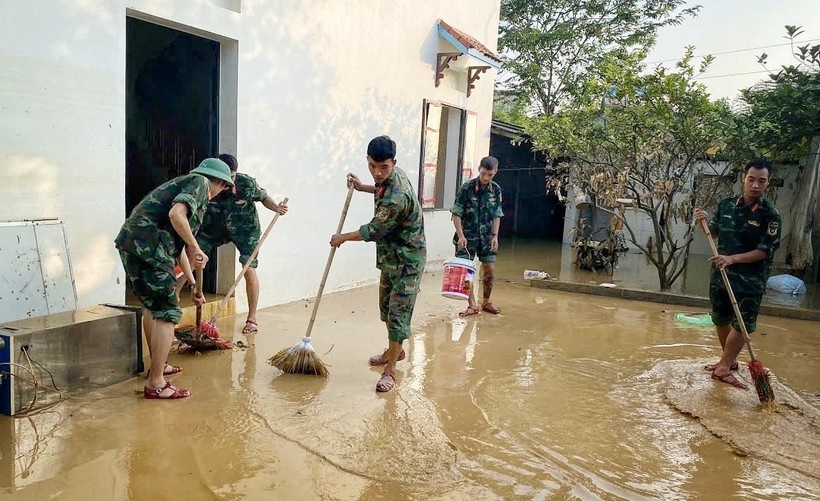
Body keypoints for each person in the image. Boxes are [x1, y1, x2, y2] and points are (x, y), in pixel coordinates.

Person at [116, 158, 234, 399]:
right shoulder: (200, 183)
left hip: (136, 245)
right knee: (168, 312)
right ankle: (156, 383)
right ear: (219, 182)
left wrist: (193, 284)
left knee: (153, 308)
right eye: (223, 187)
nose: (219, 193)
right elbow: (176, 215)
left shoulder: (186, 185)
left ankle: (157, 368)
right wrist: (196, 247)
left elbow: (178, 246)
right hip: (150, 248)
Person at [330, 136, 426, 392]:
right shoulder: (390, 177)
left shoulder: (398, 196)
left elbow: (373, 230)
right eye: (372, 166)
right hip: (391, 257)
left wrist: (342, 238)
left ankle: (390, 370)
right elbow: (381, 188)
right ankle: (395, 351)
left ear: (393, 162)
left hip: (408, 261)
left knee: (397, 316)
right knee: (385, 309)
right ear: (368, 161)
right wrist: (363, 187)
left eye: (383, 167)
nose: (377, 173)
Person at [693, 159, 781, 390]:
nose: (755, 185)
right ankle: (728, 362)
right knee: (720, 318)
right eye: (751, 179)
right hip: (721, 274)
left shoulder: (770, 215)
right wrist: (702, 221)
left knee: (743, 323)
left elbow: (765, 251)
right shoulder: (726, 205)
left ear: (768, 182)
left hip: (750, 279)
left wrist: (732, 259)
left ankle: (723, 369)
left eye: (761, 181)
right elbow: (713, 232)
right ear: (744, 178)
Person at [180, 153, 289, 334]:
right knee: (192, 256)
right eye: (224, 177)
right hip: (213, 227)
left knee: (249, 268)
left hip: (245, 230)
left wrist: (276, 208)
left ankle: (252, 319)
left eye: (232, 177)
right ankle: (171, 300)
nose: (228, 182)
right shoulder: (206, 183)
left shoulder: (246, 183)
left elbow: (263, 197)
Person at [451, 156, 504, 316]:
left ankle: (486, 302)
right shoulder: (466, 188)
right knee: (466, 272)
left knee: (490, 270)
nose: (486, 178)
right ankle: (472, 305)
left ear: (495, 172)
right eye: (483, 173)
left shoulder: (496, 190)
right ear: (479, 169)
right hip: (467, 237)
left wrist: (495, 236)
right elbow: (456, 213)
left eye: (490, 174)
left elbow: (497, 214)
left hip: (486, 237)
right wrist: (460, 235)